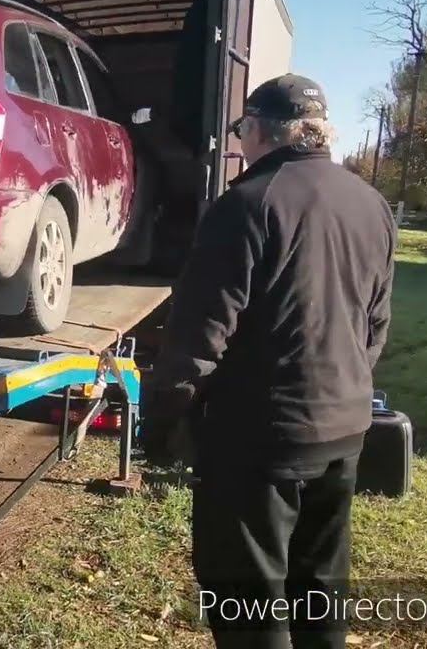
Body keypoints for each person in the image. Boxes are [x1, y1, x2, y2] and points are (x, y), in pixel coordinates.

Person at [142, 75, 396, 649]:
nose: (239, 140)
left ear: (258, 130)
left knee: (247, 599)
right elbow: (376, 325)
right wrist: (346, 394)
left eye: (241, 129)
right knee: (320, 582)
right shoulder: (372, 204)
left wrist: (162, 421)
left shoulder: (246, 204)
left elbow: (199, 336)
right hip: (343, 433)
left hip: (259, 442)